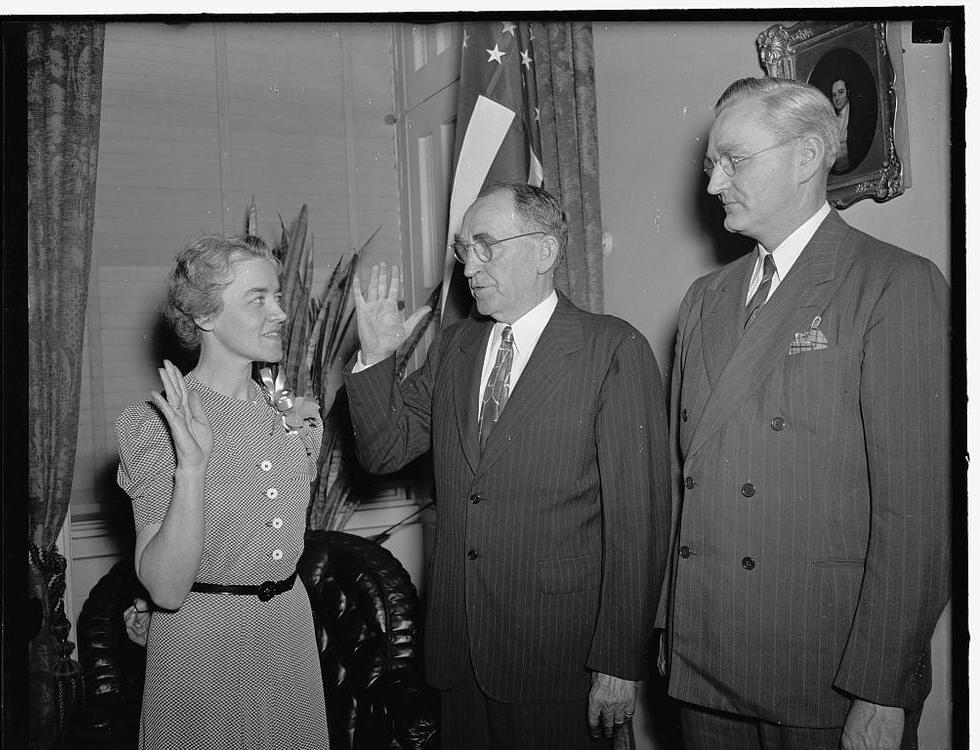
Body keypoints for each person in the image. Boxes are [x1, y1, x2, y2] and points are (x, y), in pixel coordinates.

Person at [659, 76, 950, 749]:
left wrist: (882, 688)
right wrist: (666, 630)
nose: (712, 185)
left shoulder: (892, 283)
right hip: (705, 661)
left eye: (736, 160)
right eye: (711, 165)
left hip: (823, 671)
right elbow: (685, 485)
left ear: (808, 154)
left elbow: (918, 512)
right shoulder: (706, 299)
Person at [343, 183, 671, 749]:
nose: (469, 264)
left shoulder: (611, 349)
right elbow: (384, 450)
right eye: (464, 248)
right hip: (458, 653)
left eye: (486, 246)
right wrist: (375, 356)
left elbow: (637, 524)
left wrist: (619, 661)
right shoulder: (454, 349)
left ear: (544, 251)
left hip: (559, 660)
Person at [114, 235, 329, 749]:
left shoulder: (295, 417)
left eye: (278, 296)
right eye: (258, 298)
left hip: (289, 636)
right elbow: (165, 591)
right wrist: (192, 466)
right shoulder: (155, 425)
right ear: (205, 316)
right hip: (206, 651)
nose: (279, 312)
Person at [830, 77, 872, 175]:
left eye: (841, 92)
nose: (837, 98)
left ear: (848, 93)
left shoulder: (858, 115)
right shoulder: (829, 118)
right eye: (834, 95)